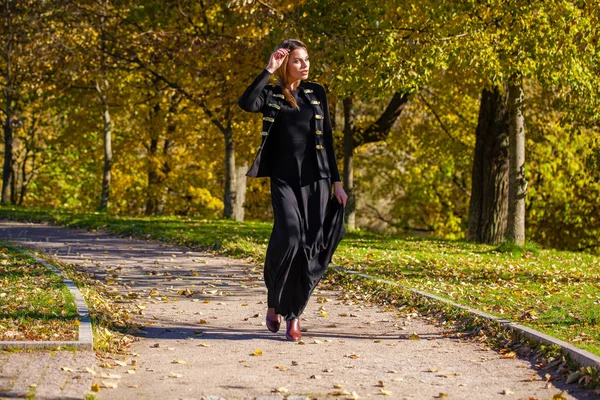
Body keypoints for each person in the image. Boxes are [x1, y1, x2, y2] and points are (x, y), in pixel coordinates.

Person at [238, 38, 347, 341]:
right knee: (289, 237)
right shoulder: (272, 93)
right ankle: (275, 301)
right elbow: (247, 103)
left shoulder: (317, 93)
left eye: (307, 59)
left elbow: (327, 139)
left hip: (318, 182)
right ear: (287, 64)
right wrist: (268, 69)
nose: (305, 64)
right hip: (284, 180)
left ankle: (293, 314)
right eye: (298, 60)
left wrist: (337, 182)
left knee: (309, 247)